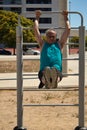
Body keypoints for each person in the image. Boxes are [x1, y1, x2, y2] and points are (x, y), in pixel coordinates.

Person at [34, 10, 70, 89]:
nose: (51, 38)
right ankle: (46, 81)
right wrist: (37, 17)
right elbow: (36, 30)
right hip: (44, 70)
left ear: (56, 37)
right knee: (44, 74)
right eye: (49, 36)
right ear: (46, 37)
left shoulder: (59, 44)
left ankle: (53, 82)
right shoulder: (42, 44)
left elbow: (68, 30)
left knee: (56, 74)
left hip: (57, 70)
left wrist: (65, 17)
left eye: (53, 36)